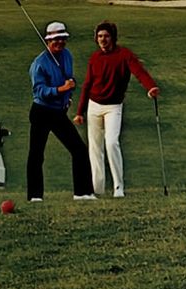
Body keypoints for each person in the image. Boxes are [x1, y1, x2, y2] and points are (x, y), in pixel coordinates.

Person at [74, 20, 160, 198]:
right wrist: (79, 112)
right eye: (99, 36)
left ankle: (118, 187)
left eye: (106, 36)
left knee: (112, 142)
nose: (102, 39)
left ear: (112, 37)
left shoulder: (124, 54)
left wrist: (150, 87)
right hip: (93, 106)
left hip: (113, 106)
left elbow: (139, 71)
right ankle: (96, 189)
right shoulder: (95, 58)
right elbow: (87, 85)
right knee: (95, 148)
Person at [26, 21, 95, 202]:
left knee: (79, 149)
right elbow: (40, 91)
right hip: (41, 111)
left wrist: (67, 96)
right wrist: (61, 90)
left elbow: (68, 78)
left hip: (58, 112)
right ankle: (35, 196)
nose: (60, 43)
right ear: (48, 41)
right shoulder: (39, 64)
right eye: (56, 40)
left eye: (63, 39)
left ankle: (83, 193)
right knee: (36, 154)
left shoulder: (67, 55)